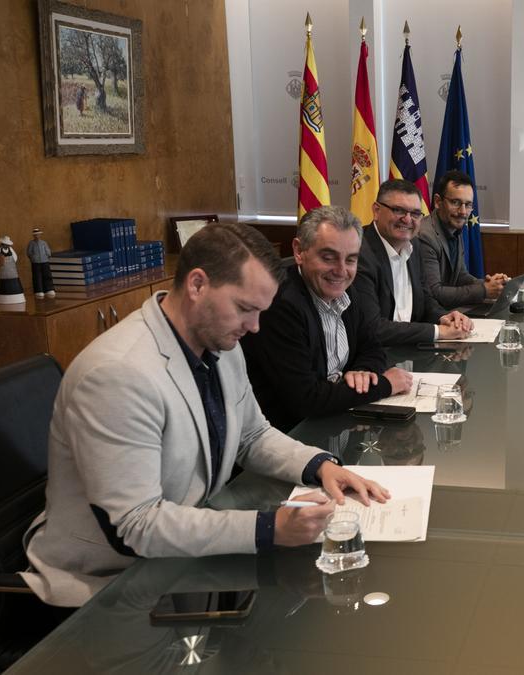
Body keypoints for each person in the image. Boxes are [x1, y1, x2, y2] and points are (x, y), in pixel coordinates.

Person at [20, 223, 390, 607]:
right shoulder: (118, 374)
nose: (255, 326)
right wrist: (269, 528)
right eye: (246, 308)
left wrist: (320, 466)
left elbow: (252, 435)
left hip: (190, 556)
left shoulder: (219, 339)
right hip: (111, 584)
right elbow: (137, 525)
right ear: (197, 285)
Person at [241, 205, 414, 432]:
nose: (341, 271)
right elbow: (306, 399)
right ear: (299, 251)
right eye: (329, 257)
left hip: (338, 424)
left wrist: (363, 372)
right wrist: (384, 384)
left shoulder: (345, 289)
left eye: (351, 259)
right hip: (292, 434)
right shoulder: (280, 304)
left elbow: (372, 348)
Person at [355, 179, 474, 345]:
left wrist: (445, 316)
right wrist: (439, 331)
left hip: (410, 353)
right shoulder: (358, 254)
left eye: (415, 214)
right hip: (375, 357)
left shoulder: (414, 245)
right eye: (398, 210)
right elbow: (373, 328)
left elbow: (424, 299)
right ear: (376, 210)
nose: (407, 219)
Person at [418, 170, 510, 308]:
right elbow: (434, 292)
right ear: (438, 201)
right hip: (427, 317)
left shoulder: (455, 228)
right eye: (455, 202)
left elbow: (460, 276)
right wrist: (484, 290)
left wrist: (490, 284)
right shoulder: (425, 236)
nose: (462, 212)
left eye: (468, 205)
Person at [0, 235, 25, 304]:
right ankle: (4, 298)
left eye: (8, 244)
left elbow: (15, 256)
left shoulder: (10, 249)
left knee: (14, 281)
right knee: (4, 282)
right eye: (6, 244)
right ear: (3, 243)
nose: (7, 245)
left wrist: (12, 263)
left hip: (12, 270)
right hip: (3, 270)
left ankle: (16, 297)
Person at [27, 227, 56, 299]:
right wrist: (33, 258)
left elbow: (47, 250)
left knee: (47, 275)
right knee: (37, 276)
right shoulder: (31, 243)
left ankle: (49, 289)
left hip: (45, 261)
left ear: (40, 235)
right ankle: (39, 290)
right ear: (33, 236)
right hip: (36, 262)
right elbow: (29, 252)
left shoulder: (44, 243)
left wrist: (48, 255)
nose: (37, 236)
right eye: (35, 235)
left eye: (38, 235)